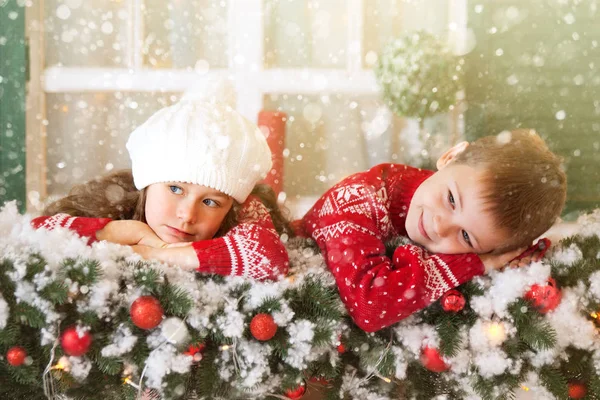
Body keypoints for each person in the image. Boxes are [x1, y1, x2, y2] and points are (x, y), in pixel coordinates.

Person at [294, 129, 566, 332]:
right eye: (450, 199)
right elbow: (369, 306)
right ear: (450, 157)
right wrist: (475, 262)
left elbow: (521, 251)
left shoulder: (450, 203)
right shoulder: (358, 199)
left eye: (466, 236)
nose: (439, 226)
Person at [32, 83, 289, 281]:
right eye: (175, 188)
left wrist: (157, 253)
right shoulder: (115, 199)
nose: (187, 215)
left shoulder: (243, 211)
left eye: (210, 201)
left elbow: (271, 259)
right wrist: (124, 232)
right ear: (147, 182)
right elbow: (38, 232)